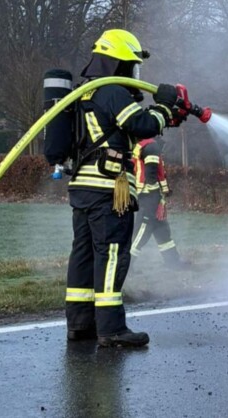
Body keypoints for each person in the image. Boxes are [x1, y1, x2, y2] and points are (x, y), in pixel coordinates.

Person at [65, 29, 186, 348]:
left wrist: (166, 114)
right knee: (112, 255)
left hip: (83, 188)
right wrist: (164, 107)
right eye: (130, 65)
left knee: (84, 255)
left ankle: (80, 324)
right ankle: (111, 328)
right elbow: (141, 126)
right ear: (117, 64)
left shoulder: (85, 93)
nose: (134, 73)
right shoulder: (112, 91)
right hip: (109, 191)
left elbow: (121, 127)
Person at [129, 137, 189, 267]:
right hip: (149, 197)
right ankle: (126, 265)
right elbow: (151, 176)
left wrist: (164, 192)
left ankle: (173, 261)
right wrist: (155, 196)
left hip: (150, 196)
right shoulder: (151, 146)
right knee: (142, 231)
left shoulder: (145, 145)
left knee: (162, 231)